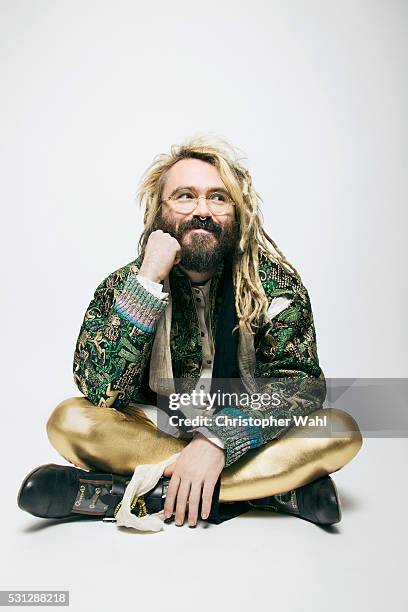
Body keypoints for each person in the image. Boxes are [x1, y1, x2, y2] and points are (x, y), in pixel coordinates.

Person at [17, 135, 362, 528]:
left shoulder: (272, 284)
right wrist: (148, 280)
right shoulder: (126, 283)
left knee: (339, 428)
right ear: (159, 212)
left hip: (245, 439)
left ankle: (128, 492)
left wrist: (217, 439)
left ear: (237, 211)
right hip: (153, 429)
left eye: (218, 198)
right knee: (69, 420)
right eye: (185, 196)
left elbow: (301, 386)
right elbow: (99, 389)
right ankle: (274, 492)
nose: (203, 210)